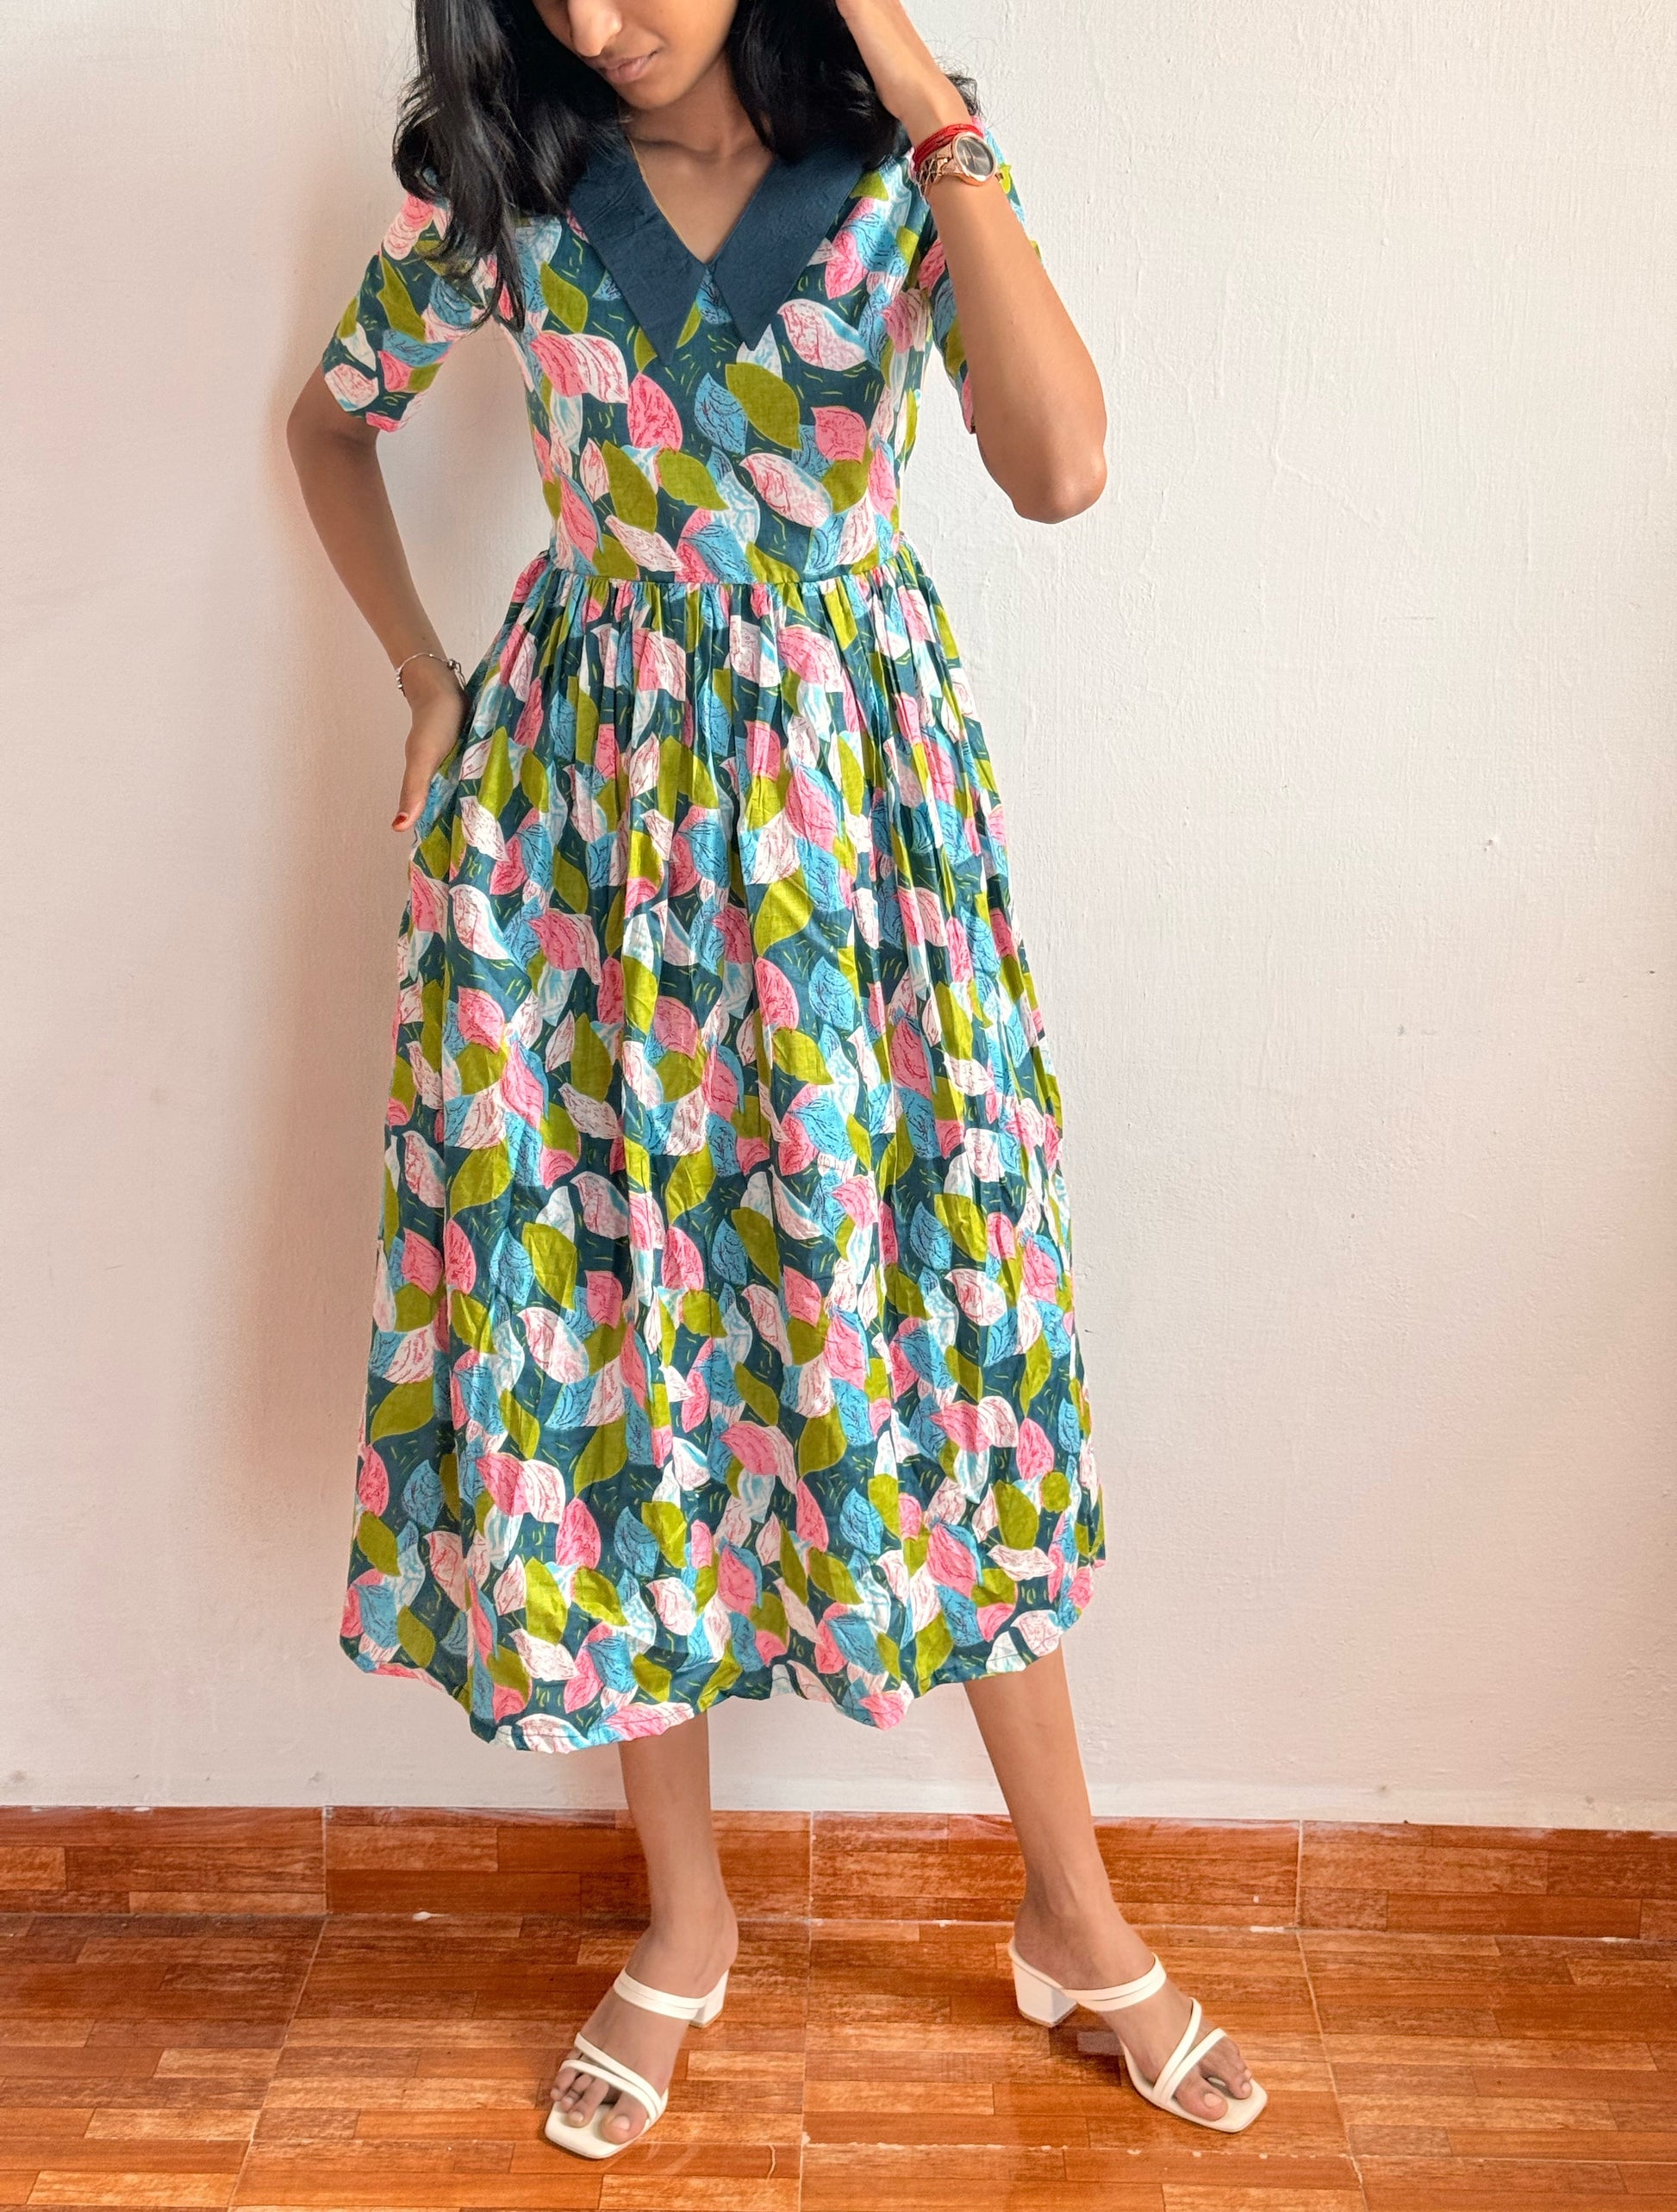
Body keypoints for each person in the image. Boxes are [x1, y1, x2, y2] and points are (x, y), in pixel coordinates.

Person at [288, 0, 1264, 2159]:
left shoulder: (905, 183)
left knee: (937, 1321)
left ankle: (1074, 1911)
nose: (595, 21)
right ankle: (686, 1919)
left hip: (853, 838)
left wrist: (929, 104)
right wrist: (427, 682)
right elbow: (328, 424)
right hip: (580, 843)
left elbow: (1058, 466)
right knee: (614, 1333)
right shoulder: (516, 190)